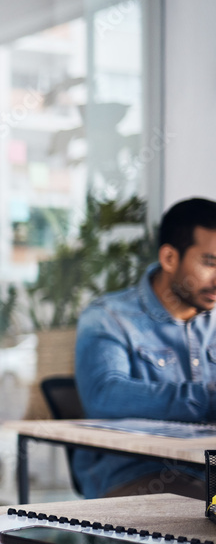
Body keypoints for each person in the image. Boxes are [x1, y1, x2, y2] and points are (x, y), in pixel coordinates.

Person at [73, 197, 216, 499]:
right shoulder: (109, 318)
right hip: (136, 477)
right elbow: (105, 395)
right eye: (209, 263)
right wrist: (207, 399)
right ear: (169, 258)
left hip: (207, 470)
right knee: (201, 505)